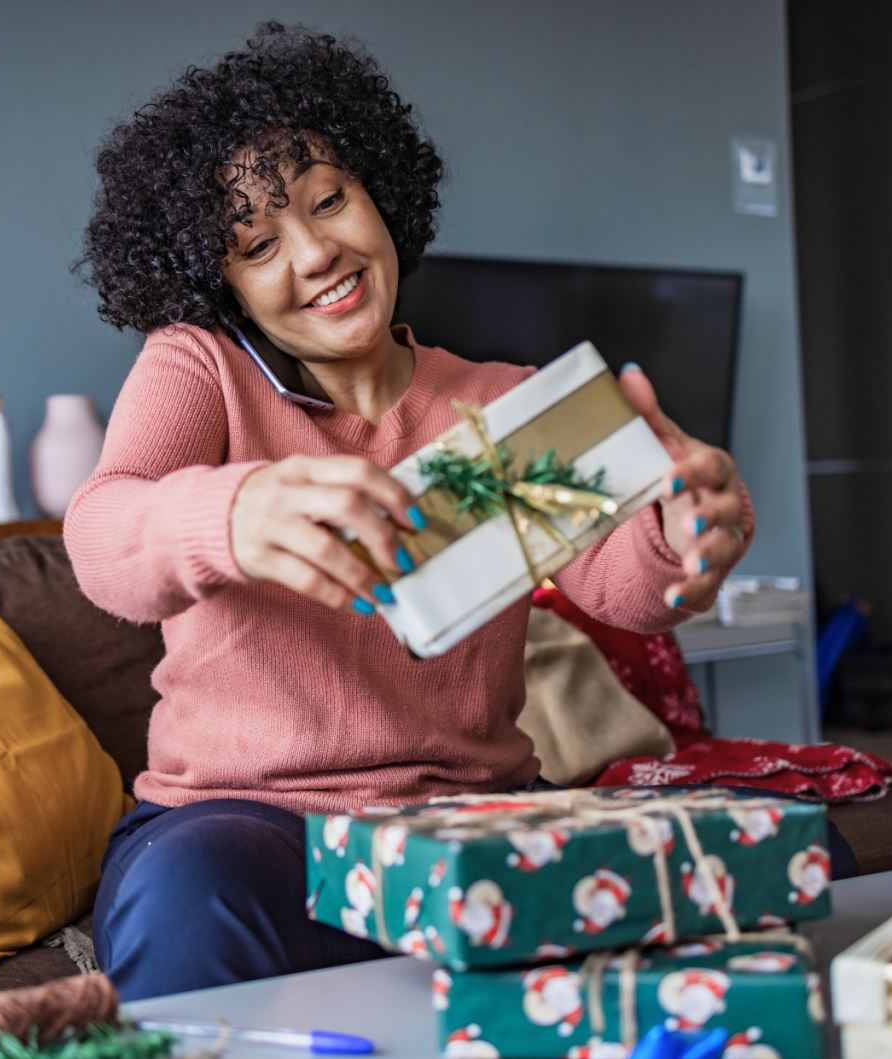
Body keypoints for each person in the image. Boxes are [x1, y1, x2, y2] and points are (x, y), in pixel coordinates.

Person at [67, 22, 754, 999]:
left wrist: (683, 527)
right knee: (189, 893)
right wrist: (232, 512)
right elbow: (101, 533)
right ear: (219, 280)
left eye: (328, 200)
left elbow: (625, 583)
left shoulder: (497, 399)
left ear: (378, 188)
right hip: (241, 822)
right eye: (257, 243)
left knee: (744, 869)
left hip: (475, 815)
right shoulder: (200, 367)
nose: (313, 254)